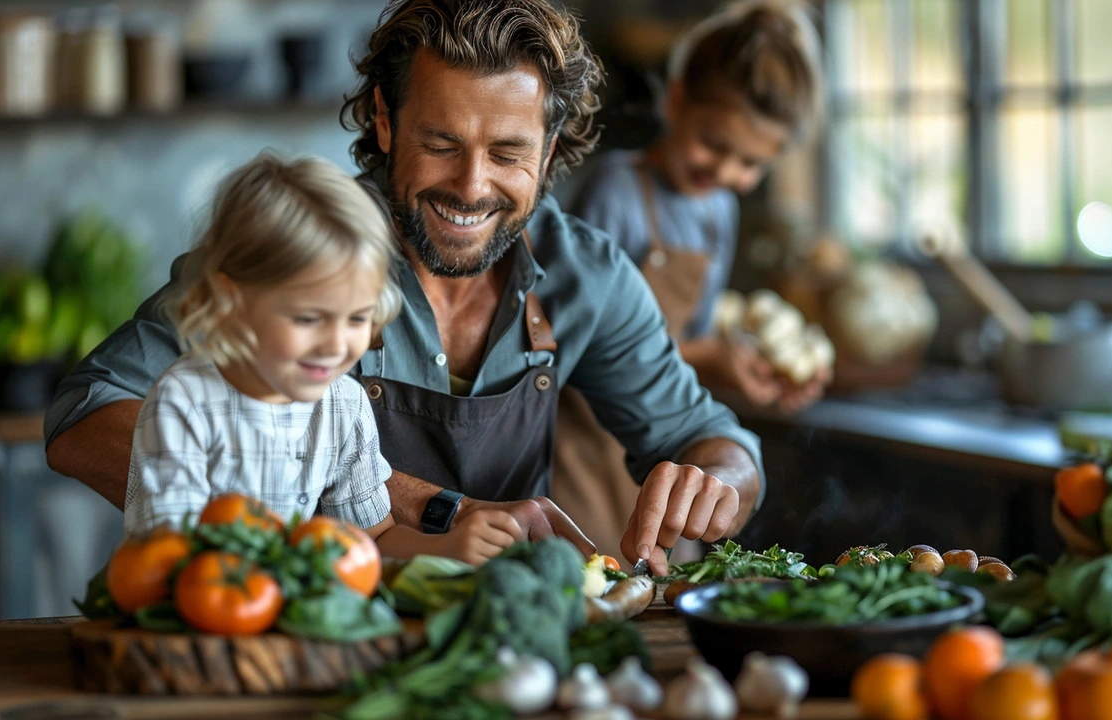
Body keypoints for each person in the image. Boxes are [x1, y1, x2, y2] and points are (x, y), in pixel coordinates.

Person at [44, 0, 766, 576]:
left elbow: (714, 440)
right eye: (441, 144)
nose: (472, 187)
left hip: (498, 648)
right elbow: (84, 418)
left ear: (548, 153)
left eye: (508, 153)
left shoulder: (588, 276)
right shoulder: (300, 246)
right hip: (306, 631)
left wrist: (717, 482)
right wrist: (428, 509)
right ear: (386, 123)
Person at [125, 154, 523, 564]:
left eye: (356, 318)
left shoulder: (342, 407)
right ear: (233, 300)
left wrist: (446, 547)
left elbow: (371, 543)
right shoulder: (185, 402)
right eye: (309, 318)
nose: (335, 345)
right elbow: (170, 560)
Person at [552, 0, 828, 563]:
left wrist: (749, 367)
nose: (725, 172)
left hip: (669, 460)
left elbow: (691, 343)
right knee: (592, 587)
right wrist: (711, 355)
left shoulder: (716, 209)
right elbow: (571, 343)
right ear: (676, 101)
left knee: (665, 594)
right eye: (714, 145)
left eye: (749, 163)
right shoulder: (617, 190)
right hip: (587, 450)